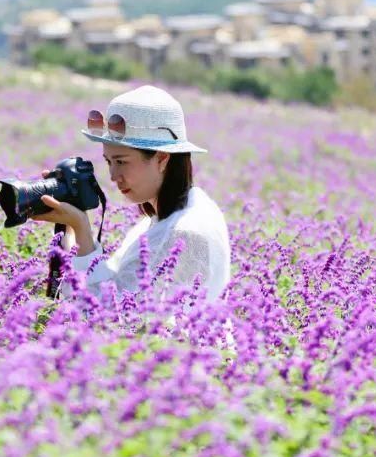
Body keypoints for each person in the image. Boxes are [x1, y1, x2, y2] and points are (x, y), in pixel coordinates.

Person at [31, 85, 231, 301]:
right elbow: (114, 292)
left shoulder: (186, 232)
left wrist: (82, 229)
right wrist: (70, 227)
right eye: (109, 161)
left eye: (121, 162)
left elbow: (115, 317)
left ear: (162, 159)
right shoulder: (162, 219)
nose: (113, 175)